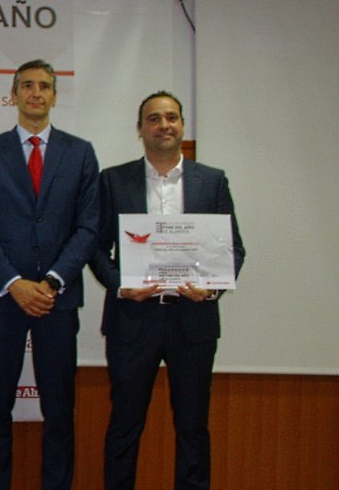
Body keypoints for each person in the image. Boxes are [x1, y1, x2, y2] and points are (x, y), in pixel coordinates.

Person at [89, 91, 245, 489]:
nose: (164, 125)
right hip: (132, 319)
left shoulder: (211, 180)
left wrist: (209, 290)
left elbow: (233, 249)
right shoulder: (113, 180)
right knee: (124, 424)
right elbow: (95, 246)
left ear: (182, 126)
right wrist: (122, 286)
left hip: (192, 319)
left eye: (171, 118)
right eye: (154, 119)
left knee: (193, 427)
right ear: (140, 129)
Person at [0, 59, 99, 490]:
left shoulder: (80, 152)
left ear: (55, 96)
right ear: (14, 95)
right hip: (4, 299)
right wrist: (15, 283)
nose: (36, 93)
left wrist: (54, 281)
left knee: (59, 409)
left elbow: (88, 226)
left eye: (44, 86)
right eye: (27, 86)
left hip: (58, 300)